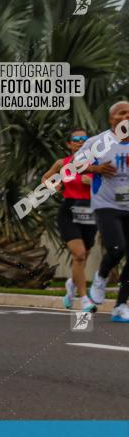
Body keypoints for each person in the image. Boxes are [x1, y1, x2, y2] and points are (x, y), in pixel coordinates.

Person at [73, 102, 129, 322]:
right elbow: (75, 165)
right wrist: (95, 168)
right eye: (121, 113)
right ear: (111, 119)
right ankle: (101, 278)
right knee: (116, 249)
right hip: (107, 205)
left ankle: (121, 305)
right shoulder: (97, 142)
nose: (126, 116)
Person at [41, 129, 97, 312]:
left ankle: (71, 285)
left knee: (84, 255)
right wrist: (53, 186)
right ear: (69, 144)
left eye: (84, 139)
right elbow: (45, 178)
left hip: (92, 211)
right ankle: (84, 298)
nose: (80, 142)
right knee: (79, 254)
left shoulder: (97, 163)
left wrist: (95, 183)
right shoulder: (62, 163)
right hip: (69, 211)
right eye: (76, 139)